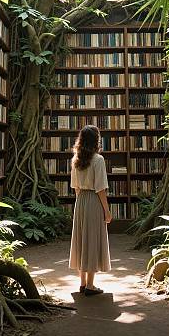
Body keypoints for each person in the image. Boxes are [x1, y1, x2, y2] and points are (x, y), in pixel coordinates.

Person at [68, 125, 112, 296]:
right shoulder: (98, 160)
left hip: (80, 202)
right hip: (93, 201)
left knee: (81, 241)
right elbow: (100, 188)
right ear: (96, 140)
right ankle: (91, 286)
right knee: (92, 241)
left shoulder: (76, 159)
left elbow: (75, 187)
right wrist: (106, 211)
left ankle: (83, 283)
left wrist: (81, 202)